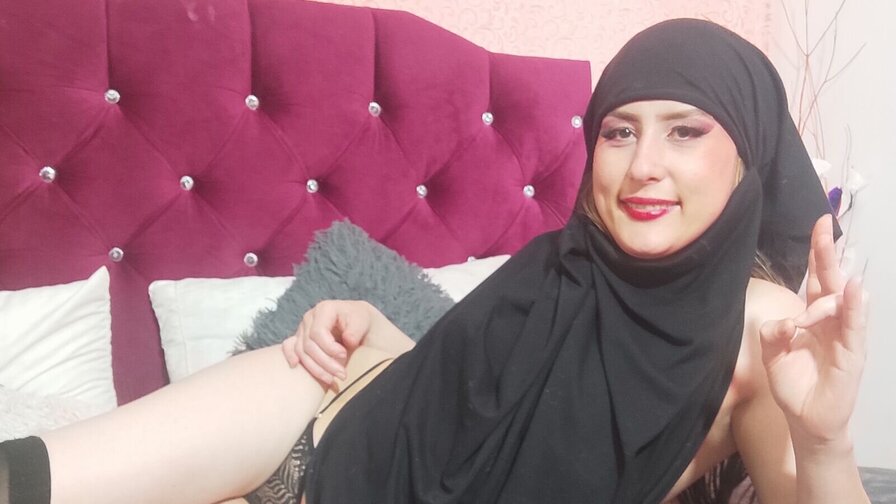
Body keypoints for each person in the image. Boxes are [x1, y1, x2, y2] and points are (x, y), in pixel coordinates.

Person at [0, 18, 869, 504]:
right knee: (28, 480)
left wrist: (826, 442)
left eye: (685, 132)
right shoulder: (564, 261)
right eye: (618, 132)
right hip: (317, 410)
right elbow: (478, 404)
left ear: (747, 156)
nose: (644, 165)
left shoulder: (766, 332)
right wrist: (376, 331)